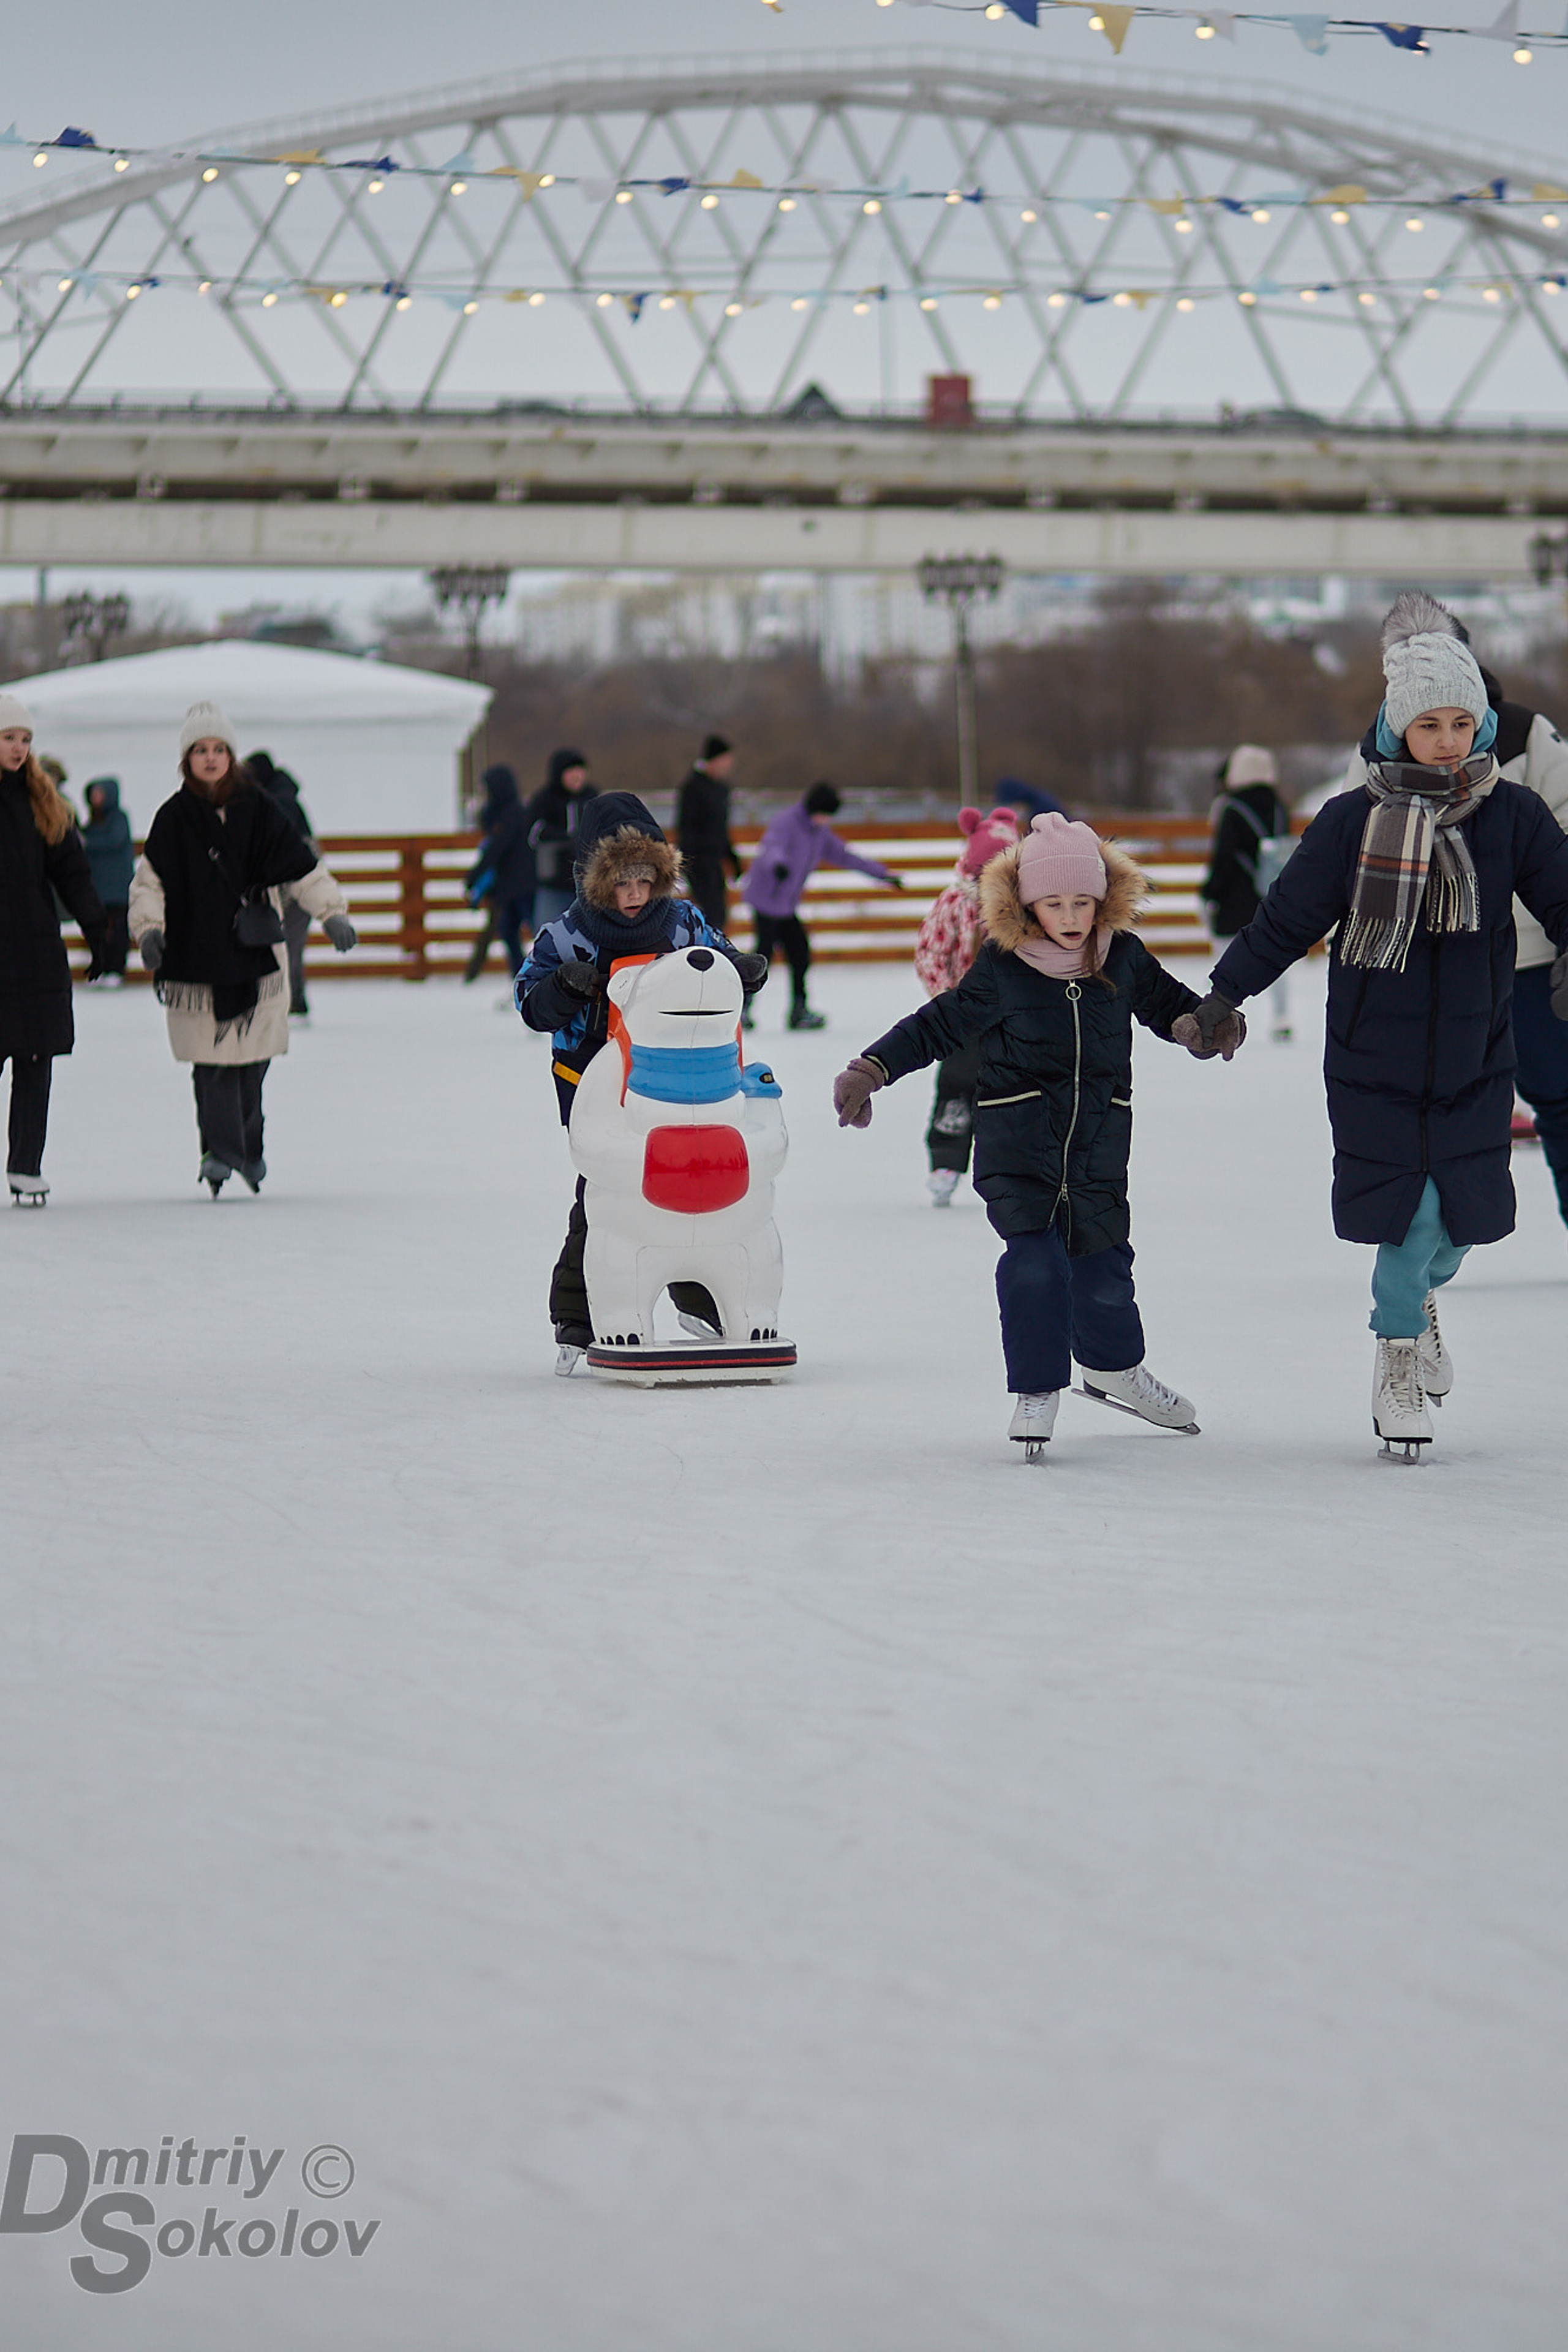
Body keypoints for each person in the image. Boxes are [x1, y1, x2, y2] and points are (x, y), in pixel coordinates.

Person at [1182, 592, 1568, 1460]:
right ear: (1398, 729)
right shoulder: (1356, 818)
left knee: (1460, 1226)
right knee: (1410, 1216)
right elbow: (1287, 917)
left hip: (1476, 1046)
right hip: (1373, 1047)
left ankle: (1420, 1301)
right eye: (1428, 723)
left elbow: (1563, 892)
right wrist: (1226, 994)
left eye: (1462, 721)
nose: (1448, 739)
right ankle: (1397, 1353)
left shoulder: (1511, 814)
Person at [832, 812, 1237, 1455]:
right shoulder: (1003, 966)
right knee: (1035, 1265)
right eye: (1053, 903)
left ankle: (1114, 1368)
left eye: (1082, 901)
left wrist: (1203, 1026)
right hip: (1018, 1145)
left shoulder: (1121, 957)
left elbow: (1170, 1006)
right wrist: (872, 1067)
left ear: (1103, 898)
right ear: (1026, 904)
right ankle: (1038, 1388)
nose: (1070, 915)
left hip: (1098, 1145)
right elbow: (938, 1024)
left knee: (1104, 1266)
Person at [1337, 601, 1568, 1234]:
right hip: (1430, 967)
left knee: (1557, 1098)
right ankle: (1426, 1253)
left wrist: (1519, 888)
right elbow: (1347, 853)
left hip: (1528, 959)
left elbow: (1563, 822)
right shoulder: (1386, 742)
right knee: (1439, 1115)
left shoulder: (1523, 732)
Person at [516, 791, 767, 1371]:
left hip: (680, 1079)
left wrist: (743, 971)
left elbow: (721, 960)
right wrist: (563, 987)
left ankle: (698, 1298)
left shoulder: (684, 923)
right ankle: (578, 1319)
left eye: (644, 881)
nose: (634, 897)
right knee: (607, 1192)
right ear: (597, 882)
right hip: (594, 1083)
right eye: (621, 884)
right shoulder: (567, 934)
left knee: (692, 1180)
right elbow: (530, 1003)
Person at [129, 702, 358, 1196]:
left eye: (219, 750)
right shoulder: (173, 818)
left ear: (231, 756)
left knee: (252, 1063)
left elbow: (301, 868)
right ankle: (219, 1153)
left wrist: (331, 912)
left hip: (254, 951)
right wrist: (149, 930)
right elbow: (150, 881)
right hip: (194, 956)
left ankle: (247, 1150)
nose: (210, 759)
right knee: (210, 1065)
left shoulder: (260, 809)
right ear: (186, 759)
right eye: (200, 750)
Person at [0, 696, 106, 1204]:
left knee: (36, 1057)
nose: (19, 748)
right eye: (8, 738)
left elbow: (74, 874)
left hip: (36, 948)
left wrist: (99, 930)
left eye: (25, 740)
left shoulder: (45, 802)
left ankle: (26, 1165)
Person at [911, 804, 1020, 1204]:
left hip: (1014, 1016)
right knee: (958, 1085)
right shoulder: (956, 903)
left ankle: (1017, 1165)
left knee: (1018, 1088)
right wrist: (948, 1002)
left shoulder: (1027, 902)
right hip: (965, 1015)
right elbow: (929, 953)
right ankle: (946, 1159)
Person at [740, 782, 903, 1031]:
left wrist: (882, 874)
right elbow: (772, 847)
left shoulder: (820, 833)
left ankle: (798, 1010)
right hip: (766, 899)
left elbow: (846, 856)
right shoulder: (787, 822)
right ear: (813, 808)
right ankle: (742, 1010)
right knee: (764, 955)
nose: (825, 820)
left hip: (785, 904)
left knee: (800, 953)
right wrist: (779, 865)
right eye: (824, 814)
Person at [1201, 745, 1294, 1042]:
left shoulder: (1231, 808)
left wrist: (1210, 893)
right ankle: (1281, 1016)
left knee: (1228, 956)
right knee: (1274, 955)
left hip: (1235, 898)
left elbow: (1224, 857)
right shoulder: (1279, 807)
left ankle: (1222, 1016)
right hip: (1271, 895)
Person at [246, 750, 315, 1016]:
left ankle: (290, 1000)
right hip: (296, 882)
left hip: (293, 883)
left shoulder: (275, 803)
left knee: (285, 944)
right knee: (289, 944)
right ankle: (292, 999)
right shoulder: (279, 799)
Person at [464, 763, 535, 981]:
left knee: (537, 931)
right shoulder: (496, 813)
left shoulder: (513, 813)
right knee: (508, 932)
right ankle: (522, 978)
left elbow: (497, 848)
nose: (485, 793)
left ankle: (537, 977)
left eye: (487, 788)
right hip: (507, 887)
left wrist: (474, 876)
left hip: (524, 885)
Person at [676, 734, 742, 932]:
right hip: (699, 862)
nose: (728, 765)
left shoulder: (722, 789)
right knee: (708, 915)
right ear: (714, 760)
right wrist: (686, 862)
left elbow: (721, 829)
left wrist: (732, 858)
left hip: (716, 862)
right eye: (725, 760)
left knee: (720, 915)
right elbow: (686, 827)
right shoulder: (693, 788)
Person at [526, 748, 595, 933]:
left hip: (589, 883)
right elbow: (533, 833)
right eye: (571, 772)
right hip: (553, 882)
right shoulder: (544, 799)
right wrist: (564, 839)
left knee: (590, 933)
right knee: (547, 932)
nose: (577, 777)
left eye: (580, 771)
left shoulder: (592, 797)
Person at [81, 776, 135, 984]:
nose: (96, 798)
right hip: (99, 888)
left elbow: (113, 841)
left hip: (118, 887)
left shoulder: (119, 818)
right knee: (100, 929)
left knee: (119, 928)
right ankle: (102, 967)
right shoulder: (93, 821)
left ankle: (116, 969)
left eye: (100, 794)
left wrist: (87, 842)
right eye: (93, 794)